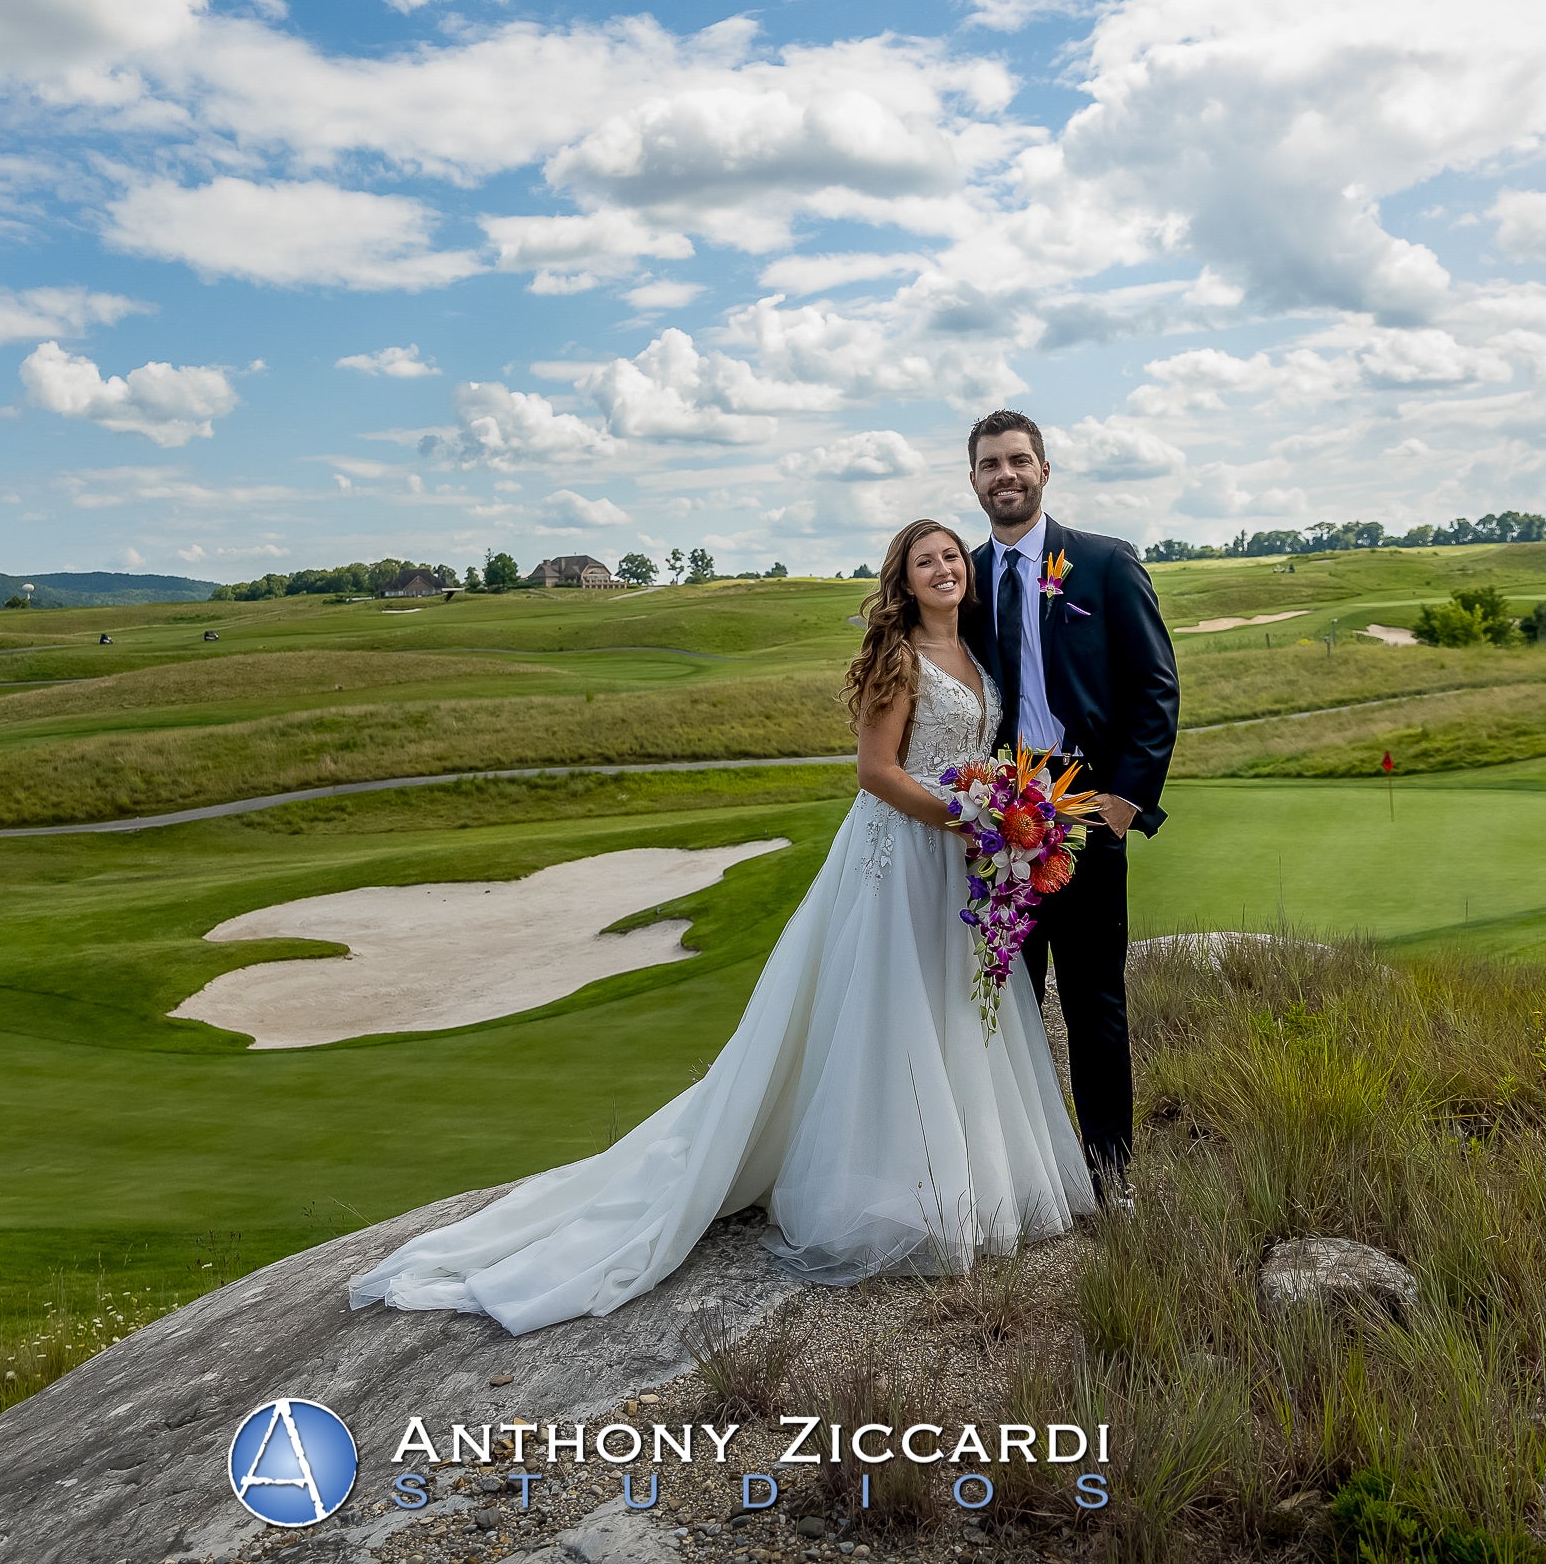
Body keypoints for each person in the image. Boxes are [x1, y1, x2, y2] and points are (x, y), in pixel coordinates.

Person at [347, 517, 1094, 1334]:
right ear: (904, 580)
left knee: (955, 1007)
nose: (945, 568)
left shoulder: (975, 655)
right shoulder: (899, 659)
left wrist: (998, 817)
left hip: (959, 862)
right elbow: (874, 772)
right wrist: (965, 814)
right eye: (927, 560)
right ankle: (885, 1187)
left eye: (952, 556)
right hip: (903, 856)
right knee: (890, 1013)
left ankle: (964, 1178)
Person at [963, 409, 1179, 1186]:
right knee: (1003, 1005)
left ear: (1045, 470)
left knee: (1094, 1003)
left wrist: (1122, 804)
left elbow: (1157, 690)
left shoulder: (1103, 564)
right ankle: (1014, 1175)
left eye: (1019, 460)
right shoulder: (964, 578)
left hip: (1085, 808)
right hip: (995, 819)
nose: (1006, 475)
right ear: (975, 480)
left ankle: (1109, 1173)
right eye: (991, 464)